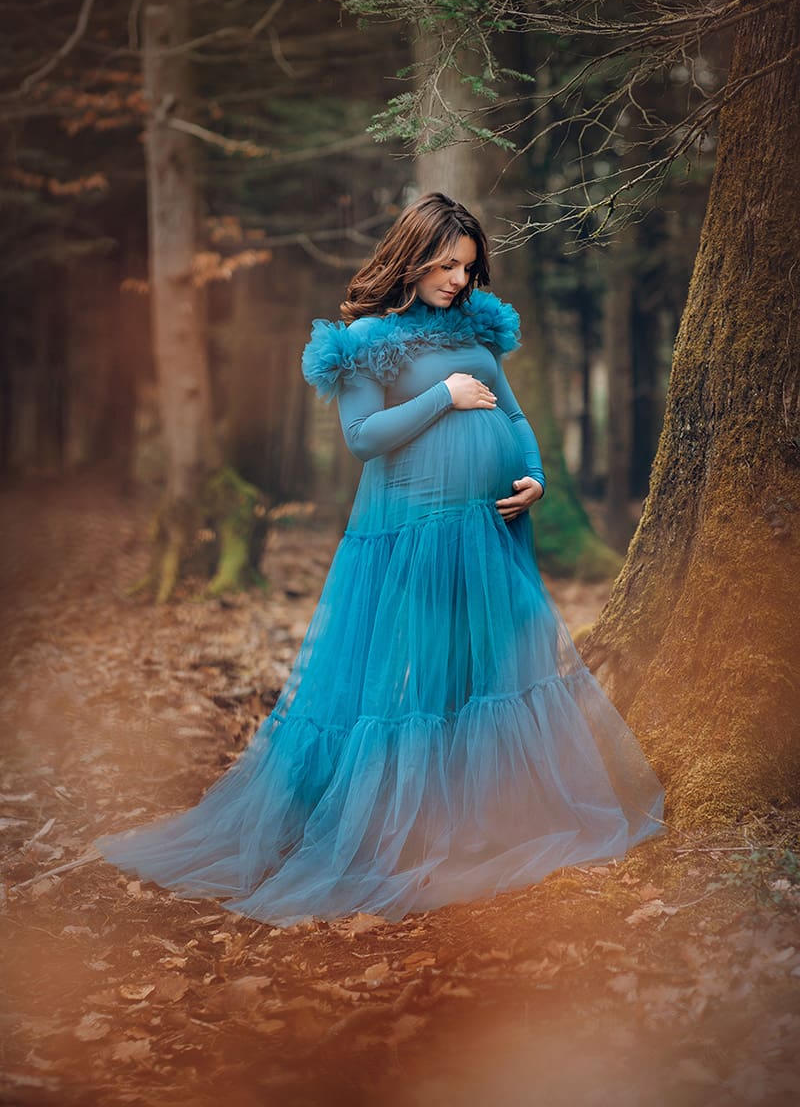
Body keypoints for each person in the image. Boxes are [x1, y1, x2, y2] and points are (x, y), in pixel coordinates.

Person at [94, 191, 666, 926]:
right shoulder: (366, 338)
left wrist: (536, 476)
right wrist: (446, 399)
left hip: (485, 534)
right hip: (409, 538)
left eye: (467, 267)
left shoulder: (477, 330)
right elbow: (363, 435)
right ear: (414, 255)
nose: (458, 280)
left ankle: (480, 820)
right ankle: (396, 829)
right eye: (446, 264)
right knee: (415, 683)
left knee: (486, 676)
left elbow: (516, 417)